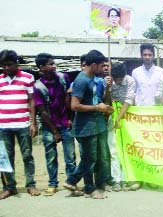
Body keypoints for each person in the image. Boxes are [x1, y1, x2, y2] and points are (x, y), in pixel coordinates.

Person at [63, 50, 113, 199]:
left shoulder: (93, 78)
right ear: (94, 65)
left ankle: (82, 184)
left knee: (93, 158)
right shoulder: (81, 80)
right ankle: (83, 186)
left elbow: (92, 101)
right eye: (102, 65)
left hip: (95, 125)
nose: (104, 68)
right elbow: (74, 105)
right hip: (85, 127)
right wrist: (97, 108)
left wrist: (103, 107)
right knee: (89, 159)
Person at [33, 53, 76, 196]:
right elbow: (43, 112)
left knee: (70, 157)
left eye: (53, 63)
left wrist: (70, 118)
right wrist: (55, 131)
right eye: (50, 64)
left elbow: (68, 100)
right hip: (49, 126)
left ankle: (71, 183)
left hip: (65, 123)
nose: (54, 66)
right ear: (41, 67)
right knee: (51, 157)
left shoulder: (64, 78)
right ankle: (52, 184)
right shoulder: (38, 86)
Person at [0, 50, 40, 199]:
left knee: (27, 155)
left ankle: (31, 185)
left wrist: (33, 123)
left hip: (23, 123)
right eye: (3, 65)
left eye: (9, 65)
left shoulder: (28, 77)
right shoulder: (0, 79)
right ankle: (9, 187)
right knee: (5, 157)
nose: (6, 68)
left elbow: (31, 101)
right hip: (3, 126)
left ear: (16, 63)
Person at [104, 63, 137, 191]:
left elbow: (129, 100)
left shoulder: (130, 81)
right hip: (112, 118)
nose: (117, 81)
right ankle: (116, 179)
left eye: (120, 78)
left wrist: (119, 118)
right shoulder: (108, 81)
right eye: (115, 78)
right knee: (114, 150)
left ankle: (126, 178)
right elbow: (106, 100)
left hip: (128, 118)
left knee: (127, 148)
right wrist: (107, 88)